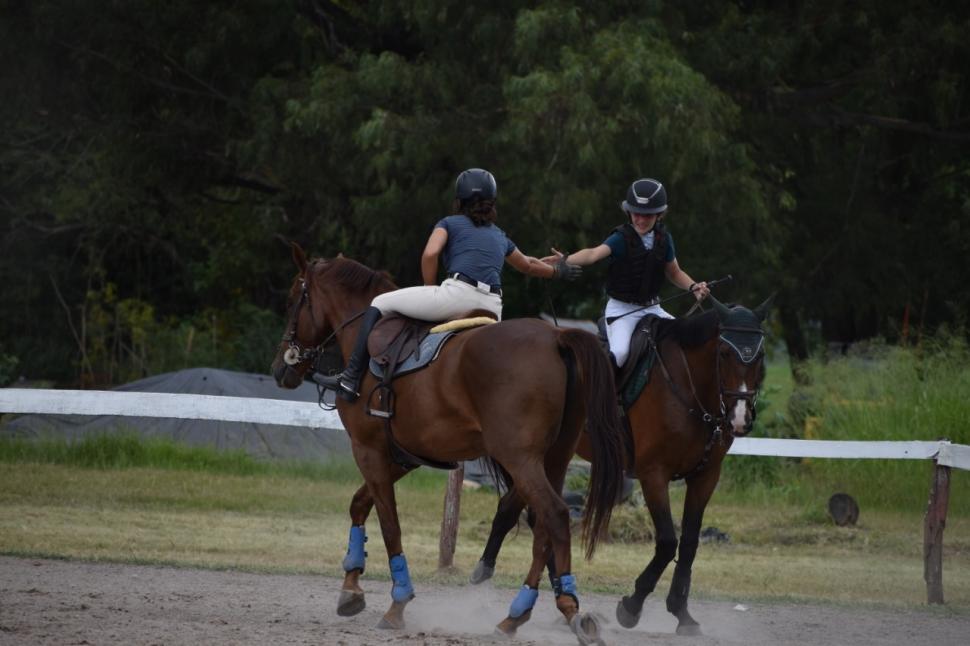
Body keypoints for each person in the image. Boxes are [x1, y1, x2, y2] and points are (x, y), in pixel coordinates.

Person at [316, 168, 582, 402]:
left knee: (379, 303)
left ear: (459, 201)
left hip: (457, 297)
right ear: (492, 202)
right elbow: (528, 265)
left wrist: (429, 287)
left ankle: (350, 379)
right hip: (493, 308)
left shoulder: (449, 223)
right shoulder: (500, 235)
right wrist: (557, 271)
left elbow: (430, 254)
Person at [543, 178, 710, 369]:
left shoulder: (664, 239)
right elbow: (593, 254)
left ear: (659, 215)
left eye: (647, 216)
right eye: (636, 214)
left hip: (653, 308)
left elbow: (674, 272)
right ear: (629, 212)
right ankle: (604, 387)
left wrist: (693, 286)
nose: (640, 220)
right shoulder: (620, 238)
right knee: (620, 353)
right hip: (622, 310)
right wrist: (566, 259)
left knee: (684, 342)